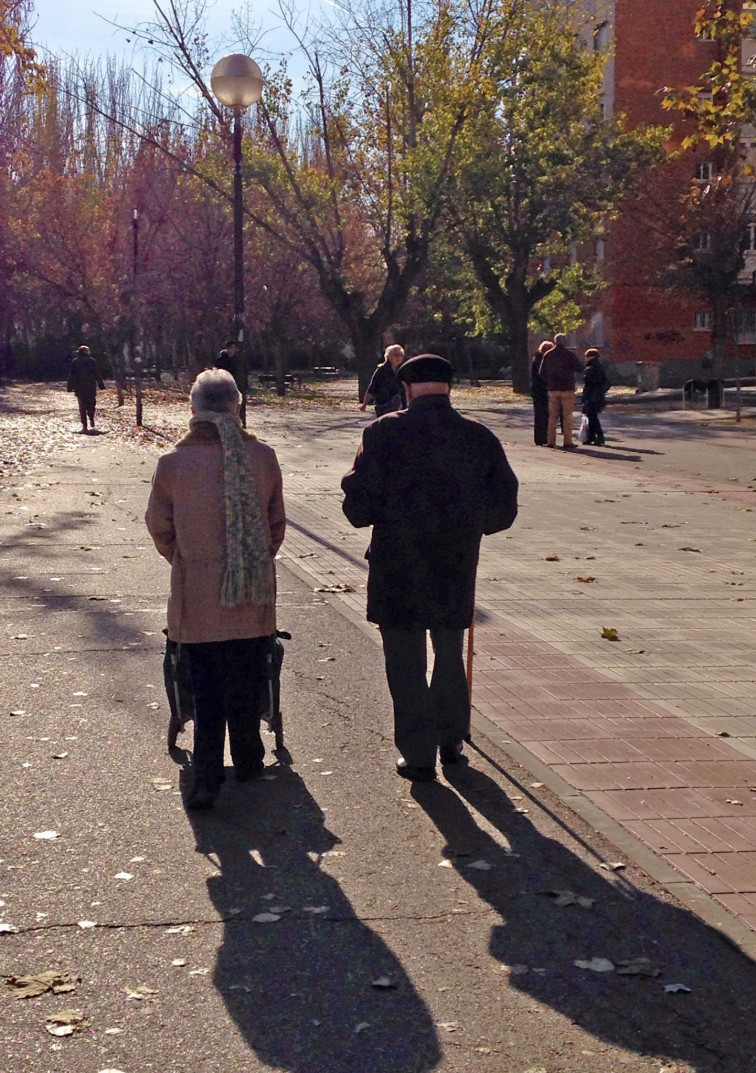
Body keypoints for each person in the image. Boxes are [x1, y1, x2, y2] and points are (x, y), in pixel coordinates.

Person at [341, 354, 519, 783]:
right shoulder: (477, 436)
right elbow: (504, 504)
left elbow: (359, 507)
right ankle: (451, 738)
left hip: (396, 562)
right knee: (450, 652)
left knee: (404, 660)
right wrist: (474, 526)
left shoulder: (383, 433)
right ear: (449, 388)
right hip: (454, 562)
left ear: (406, 389)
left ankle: (418, 754)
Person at [145, 368, 286, 810]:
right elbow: (276, 524)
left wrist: (186, 560)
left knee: (205, 688)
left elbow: (159, 526)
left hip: (198, 593)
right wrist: (252, 563)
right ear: (236, 407)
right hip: (251, 593)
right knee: (247, 676)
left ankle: (207, 775)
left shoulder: (173, 464)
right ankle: (248, 759)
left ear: (193, 408)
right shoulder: (262, 457)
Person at [539, 332, 583, 450]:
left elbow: (541, 373)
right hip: (567, 388)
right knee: (567, 416)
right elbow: (579, 368)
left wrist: (550, 381)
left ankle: (550, 441)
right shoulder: (569, 354)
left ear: (555, 342)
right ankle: (567, 441)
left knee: (552, 416)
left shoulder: (548, 354)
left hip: (553, 389)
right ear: (565, 342)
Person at [359, 344, 406, 417]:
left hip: (399, 406)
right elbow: (372, 387)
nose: (398, 357)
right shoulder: (382, 370)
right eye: (396, 355)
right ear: (389, 356)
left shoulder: (402, 370)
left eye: (401, 355)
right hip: (383, 405)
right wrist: (364, 404)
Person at [67, 345, 105, 433]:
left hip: (79, 388)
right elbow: (97, 374)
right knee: (91, 404)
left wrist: (70, 387)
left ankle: (85, 426)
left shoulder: (75, 361)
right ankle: (91, 417)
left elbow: (72, 375)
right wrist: (101, 385)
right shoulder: (92, 361)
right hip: (90, 387)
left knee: (82, 407)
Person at [581, 347, 609, 445]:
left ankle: (599, 437)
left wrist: (585, 397)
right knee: (591, 416)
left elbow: (588, 385)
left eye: (586, 356)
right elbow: (607, 382)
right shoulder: (600, 367)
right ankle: (591, 437)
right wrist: (602, 391)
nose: (585, 358)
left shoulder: (590, 368)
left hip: (591, 396)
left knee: (592, 417)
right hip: (598, 396)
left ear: (591, 357)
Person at [531, 341, 553, 446]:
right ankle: (542, 438)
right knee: (543, 415)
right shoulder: (541, 360)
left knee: (540, 415)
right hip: (541, 391)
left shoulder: (537, 358)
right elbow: (543, 376)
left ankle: (540, 438)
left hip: (537, 391)